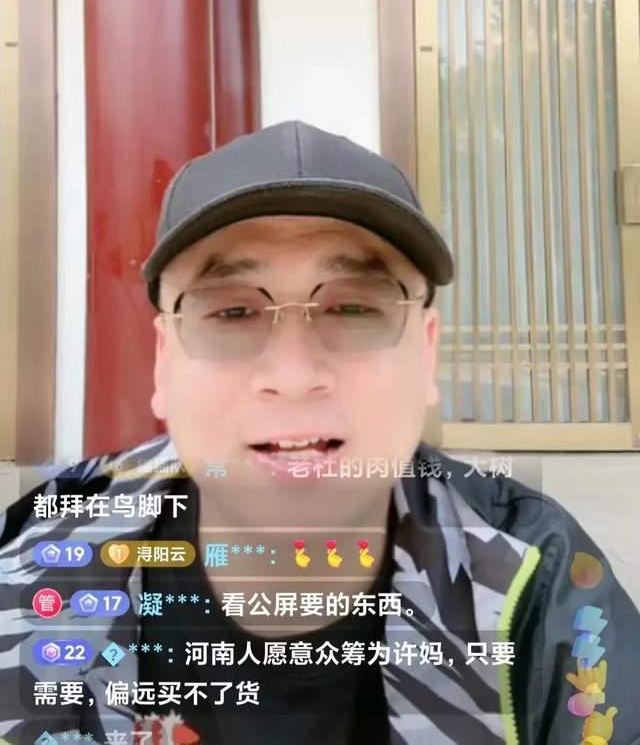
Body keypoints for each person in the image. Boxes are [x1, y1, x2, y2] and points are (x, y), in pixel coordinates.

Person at [0, 120, 638, 745]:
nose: (294, 376)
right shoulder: (33, 566)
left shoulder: (537, 576)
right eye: (232, 312)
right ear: (163, 362)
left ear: (426, 353)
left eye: (355, 308)